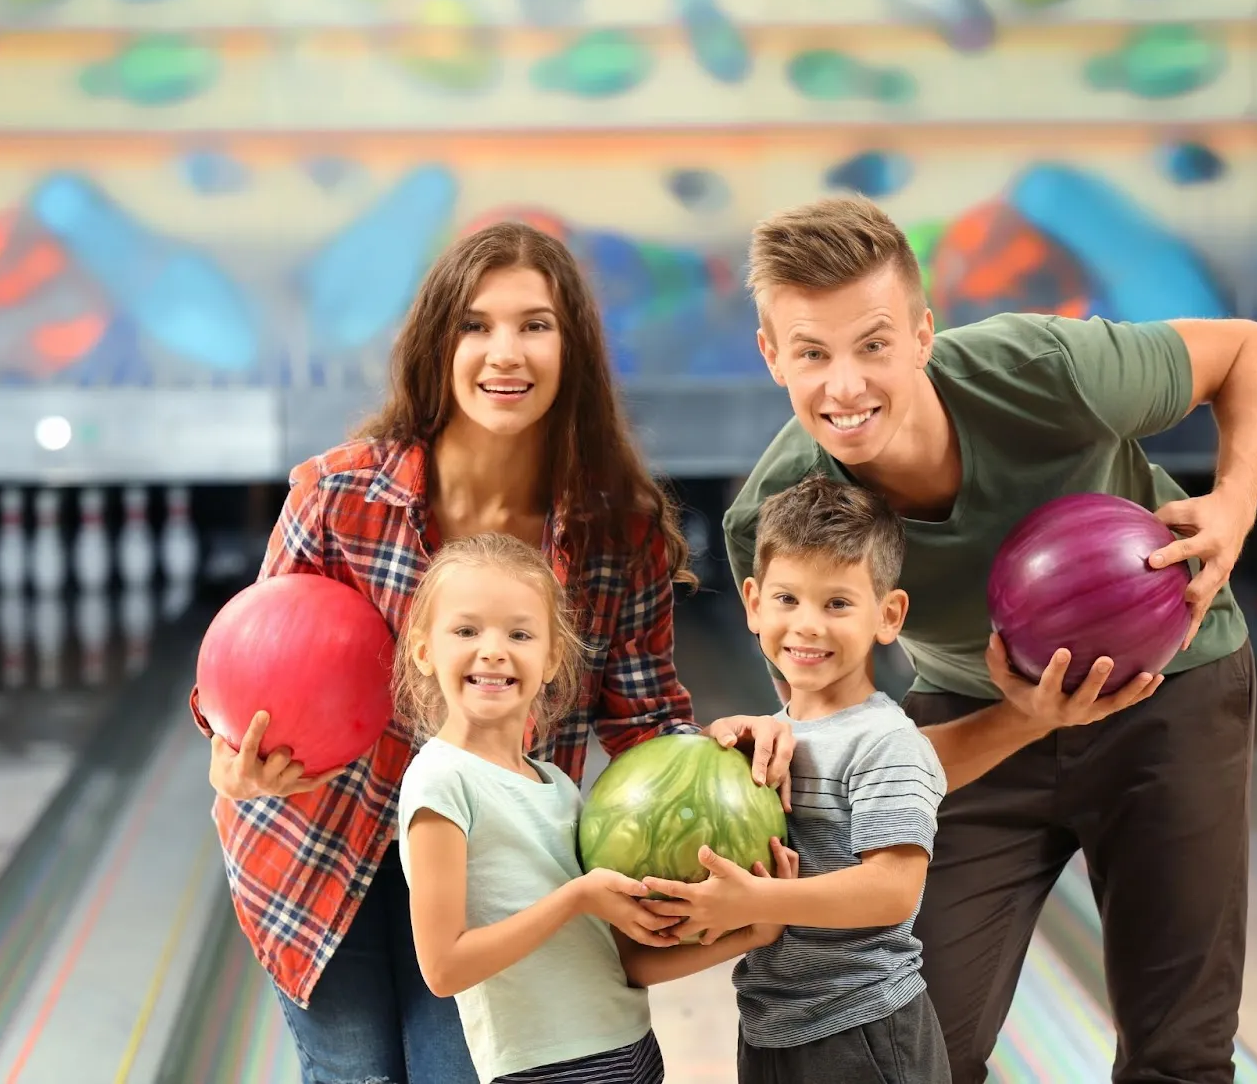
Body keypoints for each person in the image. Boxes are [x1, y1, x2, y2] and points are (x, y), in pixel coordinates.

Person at [191, 222, 794, 1084]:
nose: (503, 352)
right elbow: (242, 673)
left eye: (534, 325)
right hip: (321, 851)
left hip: (492, 874)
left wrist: (724, 758)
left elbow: (648, 724)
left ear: (572, 347)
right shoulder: (339, 498)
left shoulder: (616, 536)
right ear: (439, 342)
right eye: (476, 324)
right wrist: (229, 756)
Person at [721, 196, 1257, 1083]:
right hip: (973, 716)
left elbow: (1255, 350)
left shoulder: (1046, 369)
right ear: (772, 356)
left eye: (873, 344)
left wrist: (1234, 505)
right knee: (914, 1049)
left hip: (1173, 692)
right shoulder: (777, 518)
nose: (845, 385)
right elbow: (847, 738)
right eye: (811, 353)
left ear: (921, 334)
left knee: (1180, 1052)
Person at [394, 532, 800, 1084]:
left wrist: (752, 934)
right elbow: (444, 968)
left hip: (632, 1049)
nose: (492, 649)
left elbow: (626, 965)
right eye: (466, 630)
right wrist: (578, 897)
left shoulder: (557, 785)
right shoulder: (442, 782)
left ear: (553, 657)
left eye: (519, 633)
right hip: (545, 1069)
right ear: (424, 649)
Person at [646, 474, 952, 1084]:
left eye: (837, 603)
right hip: (771, 1021)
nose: (808, 625)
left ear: (887, 615)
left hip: (863, 1028)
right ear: (754, 604)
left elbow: (893, 890)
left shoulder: (886, 742)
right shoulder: (770, 736)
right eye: (788, 600)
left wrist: (760, 902)